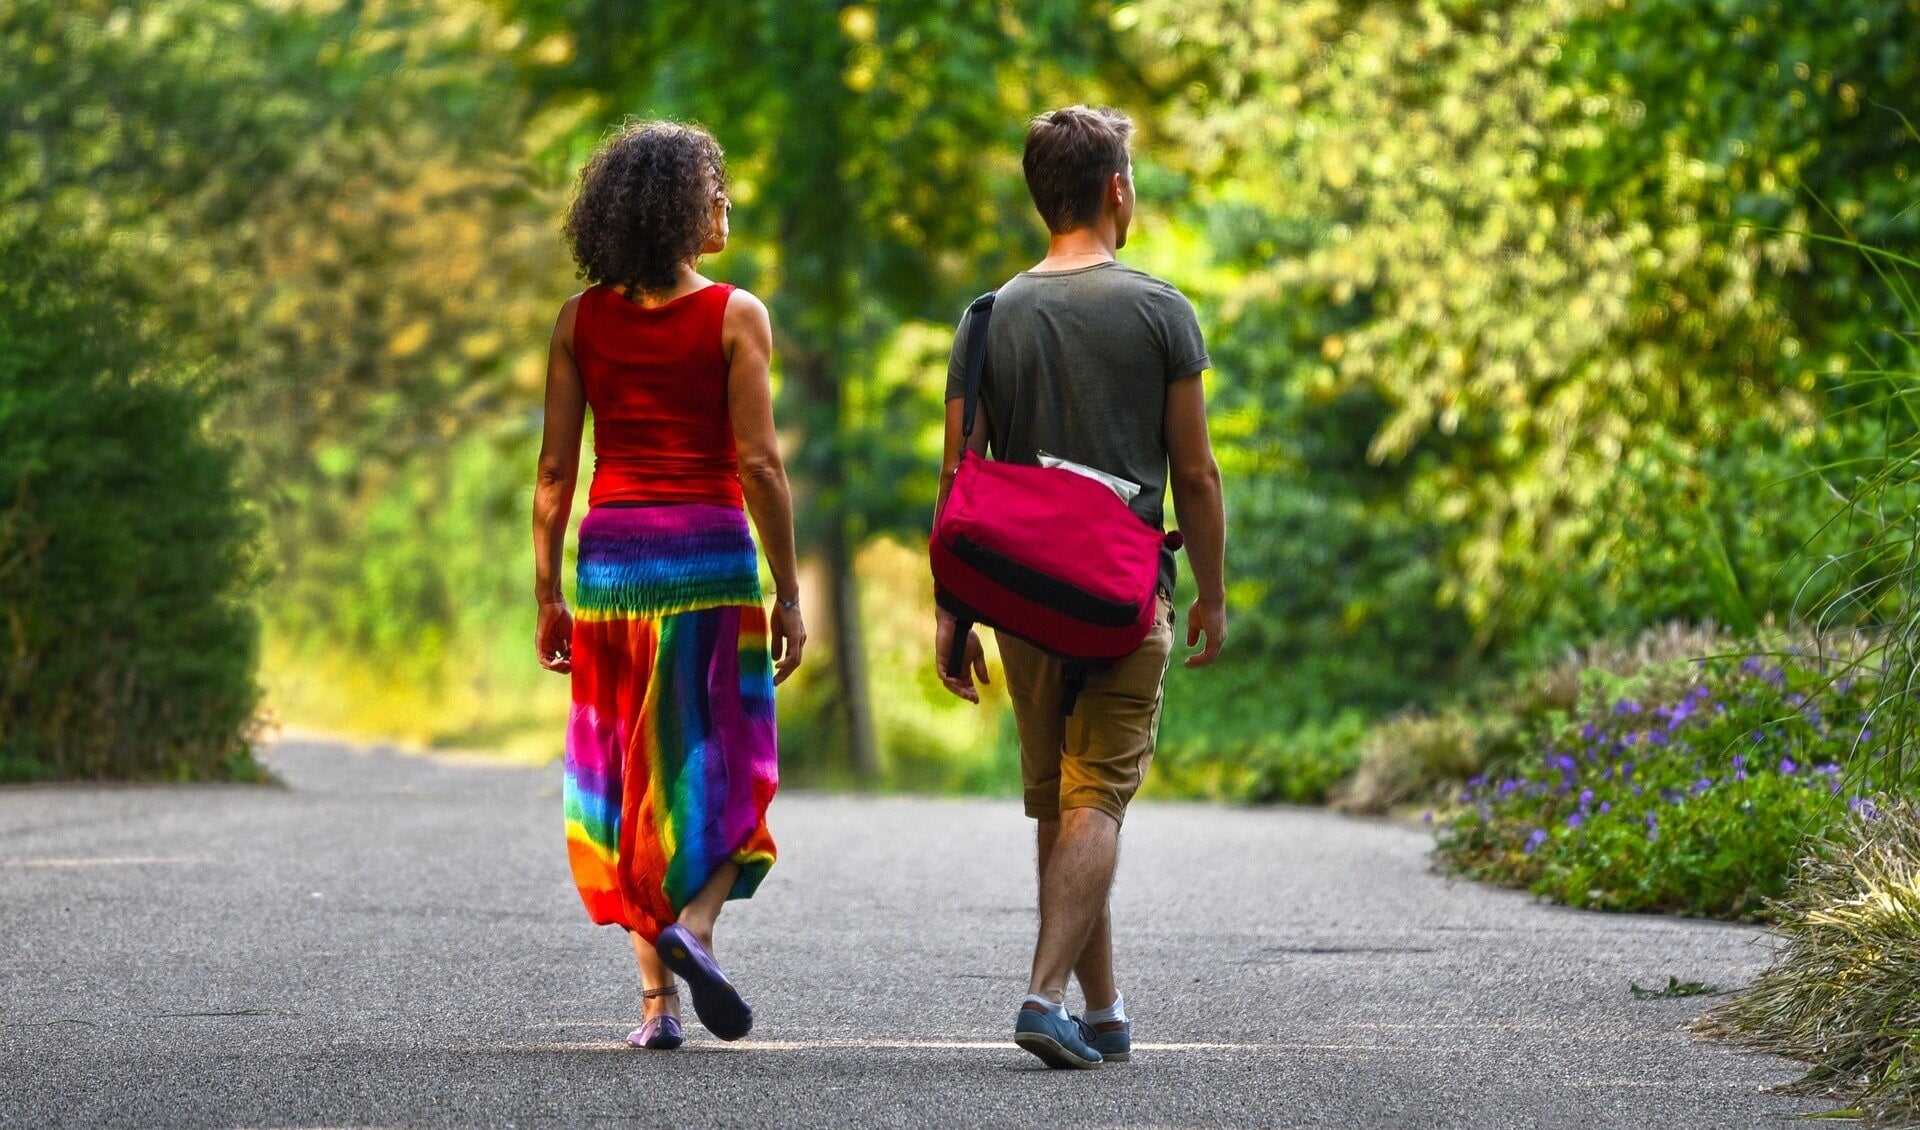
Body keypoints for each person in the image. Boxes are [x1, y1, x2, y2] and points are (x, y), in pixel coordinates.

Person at [934, 105, 1228, 1069]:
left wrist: (954, 610)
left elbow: (959, 478)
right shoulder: (1159, 310)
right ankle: (1043, 994)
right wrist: (1214, 593)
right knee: (1097, 794)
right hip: (1122, 591)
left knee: (1063, 804)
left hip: (1023, 604)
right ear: (1116, 190)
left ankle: (1099, 1010)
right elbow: (1198, 475)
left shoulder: (989, 316)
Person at [532, 120, 805, 1051]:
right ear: (687, 211)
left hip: (612, 569)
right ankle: (694, 929)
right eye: (715, 190)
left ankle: (657, 1008)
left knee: (627, 775)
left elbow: (555, 477)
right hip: (711, 566)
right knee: (728, 764)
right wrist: (791, 594)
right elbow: (761, 464)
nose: (726, 204)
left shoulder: (578, 322)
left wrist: (547, 593)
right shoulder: (736, 314)